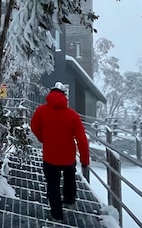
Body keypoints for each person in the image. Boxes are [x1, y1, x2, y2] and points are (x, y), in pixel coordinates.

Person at [29, 82, 90, 221]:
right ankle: (69, 201)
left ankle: (56, 214)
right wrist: (85, 160)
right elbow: (82, 138)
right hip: (68, 156)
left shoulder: (41, 111)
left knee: (53, 185)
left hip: (50, 156)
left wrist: (43, 139)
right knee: (70, 178)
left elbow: (34, 127)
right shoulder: (72, 115)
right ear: (64, 97)